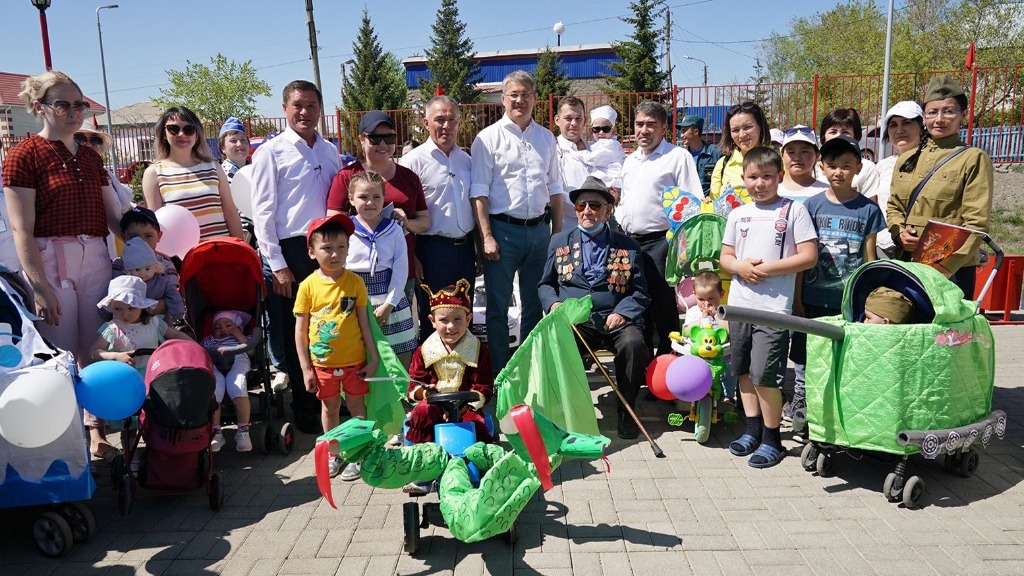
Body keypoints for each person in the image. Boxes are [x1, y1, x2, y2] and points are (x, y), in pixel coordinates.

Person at [1, 70, 125, 463]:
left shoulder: (89, 157)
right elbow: (21, 229)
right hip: (50, 260)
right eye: (63, 105)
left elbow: (113, 217)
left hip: (96, 258)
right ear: (38, 107)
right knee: (61, 353)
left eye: (79, 105)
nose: (73, 112)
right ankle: (69, 447)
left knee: (95, 347)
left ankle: (96, 433)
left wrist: (145, 244)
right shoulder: (24, 156)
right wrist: (39, 285)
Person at [251, 80, 341, 434]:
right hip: (291, 252)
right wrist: (278, 265)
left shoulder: (329, 151)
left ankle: (330, 402)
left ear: (320, 109)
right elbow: (263, 213)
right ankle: (304, 409)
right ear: (285, 109)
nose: (305, 112)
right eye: (297, 105)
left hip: (327, 249)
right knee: (297, 333)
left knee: (329, 328)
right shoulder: (270, 152)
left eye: (311, 105)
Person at [720, 146, 817, 468]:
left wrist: (765, 270)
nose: (759, 183)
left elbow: (808, 256)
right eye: (752, 177)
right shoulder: (738, 214)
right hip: (739, 306)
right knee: (743, 372)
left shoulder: (794, 211)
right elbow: (726, 257)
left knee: (765, 376)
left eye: (766, 176)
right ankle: (752, 430)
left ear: (779, 177)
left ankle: (772, 439)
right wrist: (739, 267)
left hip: (773, 310)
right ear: (743, 178)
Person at [539, 176, 651, 439]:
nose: (587, 211)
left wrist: (623, 312)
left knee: (634, 344)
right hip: (577, 322)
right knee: (560, 341)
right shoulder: (559, 241)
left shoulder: (628, 246)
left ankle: (626, 410)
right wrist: (554, 304)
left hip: (616, 320)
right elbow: (545, 285)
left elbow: (640, 292)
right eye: (581, 206)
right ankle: (571, 412)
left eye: (594, 205)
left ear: (607, 211)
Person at [788, 135, 884, 441]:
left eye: (846, 165)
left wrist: (869, 301)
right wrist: (798, 297)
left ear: (858, 168)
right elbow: (802, 257)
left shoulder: (868, 210)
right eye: (832, 165)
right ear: (822, 167)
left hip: (848, 301)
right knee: (806, 355)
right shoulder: (811, 206)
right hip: (813, 297)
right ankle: (804, 406)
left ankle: (838, 414)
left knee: (843, 357)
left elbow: (870, 260)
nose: (838, 172)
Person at [470, 70, 564, 373]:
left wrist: (557, 235)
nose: (519, 100)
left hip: (539, 232)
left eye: (525, 94)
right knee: (498, 308)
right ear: (503, 99)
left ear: (535, 98)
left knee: (534, 306)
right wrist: (487, 236)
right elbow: (479, 192)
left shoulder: (546, 138)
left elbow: (555, 189)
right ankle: (502, 376)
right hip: (502, 232)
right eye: (514, 95)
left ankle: (528, 372)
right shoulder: (487, 139)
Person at [887, 75, 994, 297]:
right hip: (908, 262)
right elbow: (894, 206)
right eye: (932, 112)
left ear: (962, 115)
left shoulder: (972, 158)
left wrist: (945, 267)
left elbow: (976, 224)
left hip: (951, 272)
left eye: (948, 111)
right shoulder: (907, 158)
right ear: (924, 117)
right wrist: (900, 234)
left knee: (946, 322)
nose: (939, 119)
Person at [295, 214, 379, 480]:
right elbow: (300, 331)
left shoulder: (355, 282)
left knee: (356, 406)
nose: (335, 254)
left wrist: (373, 358)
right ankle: (334, 453)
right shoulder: (307, 286)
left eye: (341, 246)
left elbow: (365, 324)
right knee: (330, 408)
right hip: (322, 365)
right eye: (327, 248)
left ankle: (359, 452)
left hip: (355, 363)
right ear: (312, 252)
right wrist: (306, 369)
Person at [618, 101, 702, 357]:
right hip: (630, 243)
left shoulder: (677, 157)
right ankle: (643, 364)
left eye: (651, 124)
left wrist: (684, 249)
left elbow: (691, 204)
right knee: (638, 306)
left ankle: (668, 362)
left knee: (663, 307)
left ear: (664, 127)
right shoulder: (630, 160)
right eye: (639, 124)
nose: (644, 130)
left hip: (662, 243)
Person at [327, 110, 430, 307]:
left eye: (389, 138)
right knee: (356, 324)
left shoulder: (409, 177)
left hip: (400, 271)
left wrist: (406, 223)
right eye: (375, 138)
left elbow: (425, 221)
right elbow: (333, 223)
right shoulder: (347, 176)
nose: (383, 144)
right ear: (361, 140)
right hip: (357, 271)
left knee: (396, 323)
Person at [399, 95, 477, 343]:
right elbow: (404, 214)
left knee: (463, 314)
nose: (446, 126)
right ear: (426, 123)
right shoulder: (412, 162)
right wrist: (413, 256)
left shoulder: (467, 160)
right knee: (435, 316)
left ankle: (462, 365)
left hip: (465, 250)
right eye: (439, 120)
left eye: (452, 120)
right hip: (431, 251)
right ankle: (432, 367)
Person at [404, 279, 495, 451]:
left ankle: (477, 457)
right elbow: (414, 383)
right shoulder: (424, 351)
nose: (451, 326)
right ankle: (424, 455)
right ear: (432, 320)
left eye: (458, 319)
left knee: (475, 424)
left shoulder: (479, 350)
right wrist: (425, 392)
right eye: (444, 320)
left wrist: (463, 407)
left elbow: (484, 385)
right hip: (434, 406)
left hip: (466, 407)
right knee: (422, 412)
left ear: (468, 319)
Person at [346, 172, 417, 365]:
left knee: (398, 357)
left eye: (376, 197)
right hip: (355, 299)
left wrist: (389, 304)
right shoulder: (345, 230)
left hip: (389, 299)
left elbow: (401, 270)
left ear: (384, 198)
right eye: (363, 197)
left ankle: (399, 387)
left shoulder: (395, 229)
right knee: (358, 355)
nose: (370, 202)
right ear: (351, 199)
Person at [142, 106, 244, 240]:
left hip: (221, 249)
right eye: (173, 129)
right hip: (181, 252)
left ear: (197, 134)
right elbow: (154, 226)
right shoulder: (153, 173)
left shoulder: (214, 167)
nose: (181, 134)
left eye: (189, 129)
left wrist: (242, 247)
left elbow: (230, 213)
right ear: (164, 134)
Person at [90, 275, 190, 375]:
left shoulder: (154, 322)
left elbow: (176, 334)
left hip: (153, 374)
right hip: (124, 376)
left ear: (141, 306)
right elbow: (94, 352)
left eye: (131, 308)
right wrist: (116, 356)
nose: (125, 314)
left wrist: (192, 344)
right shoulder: (113, 328)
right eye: (117, 309)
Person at [874, 101, 925, 258]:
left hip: (921, 246)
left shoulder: (935, 163)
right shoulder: (881, 167)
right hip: (883, 246)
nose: (899, 130)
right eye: (893, 125)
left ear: (921, 127)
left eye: (906, 123)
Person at [201, 310, 255, 453]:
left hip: (238, 359)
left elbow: (251, 352)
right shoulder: (210, 340)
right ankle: (216, 432)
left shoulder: (242, 338)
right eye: (217, 327)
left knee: (237, 384)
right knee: (214, 387)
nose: (223, 329)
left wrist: (238, 334)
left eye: (228, 325)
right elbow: (202, 352)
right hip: (215, 362)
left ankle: (243, 430)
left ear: (238, 326)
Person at [709, 101, 772, 200]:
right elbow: (715, 202)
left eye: (747, 127)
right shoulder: (723, 164)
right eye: (735, 130)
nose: (742, 135)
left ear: (760, 126)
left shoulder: (779, 159)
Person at [816, 108, 881, 198]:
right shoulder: (814, 168)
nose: (838, 136)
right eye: (833, 132)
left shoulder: (867, 168)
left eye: (845, 132)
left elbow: (870, 203)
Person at [120, 236, 184, 324]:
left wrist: (178, 313)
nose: (142, 273)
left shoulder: (162, 283)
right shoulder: (127, 284)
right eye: (137, 269)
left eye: (147, 269)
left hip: (160, 322)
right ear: (129, 270)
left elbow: (173, 296)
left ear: (156, 267)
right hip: (135, 323)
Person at [75, 120, 133, 214]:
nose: (89, 145)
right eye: (80, 139)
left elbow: (126, 209)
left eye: (95, 140)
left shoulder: (106, 175)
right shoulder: (67, 176)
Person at [554, 97, 592, 232]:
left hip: (600, 226)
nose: (574, 123)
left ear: (585, 121)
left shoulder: (594, 151)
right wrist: (588, 209)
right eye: (568, 118)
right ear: (557, 120)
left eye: (578, 118)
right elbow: (556, 194)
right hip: (569, 229)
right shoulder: (552, 152)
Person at [778, 126, 828, 203]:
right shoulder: (771, 190)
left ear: (817, 156)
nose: (797, 158)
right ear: (782, 155)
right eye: (791, 152)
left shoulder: (827, 191)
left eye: (804, 152)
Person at [677, 115, 721, 196]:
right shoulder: (682, 155)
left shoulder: (715, 152)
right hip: (688, 201)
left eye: (684, 131)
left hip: (711, 201)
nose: (681, 135)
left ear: (696, 132)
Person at [587, 105, 626, 191]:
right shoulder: (594, 144)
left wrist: (578, 153)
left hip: (613, 186)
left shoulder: (611, 144)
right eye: (596, 129)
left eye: (606, 129)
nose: (601, 132)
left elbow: (592, 159)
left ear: (613, 131)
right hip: (602, 184)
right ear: (591, 131)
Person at [218, 117, 250, 183]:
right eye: (233, 141)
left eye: (243, 139)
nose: (239, 144)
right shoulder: (221, 175)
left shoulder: (255, 169)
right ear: (222, 148)